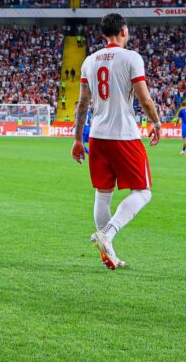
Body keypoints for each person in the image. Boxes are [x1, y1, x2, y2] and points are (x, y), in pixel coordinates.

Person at [71, 13, 162, 270]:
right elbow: (144, 99)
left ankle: (107, 252)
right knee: (143, 192)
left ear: (103, 35)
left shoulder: (89, 61)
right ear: (124, 31)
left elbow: (82, 104)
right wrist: (155, 122)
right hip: (123, 135)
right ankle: (107, 234)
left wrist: (79, 139)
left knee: (103, 193)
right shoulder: (131, 57)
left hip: (98, 136)